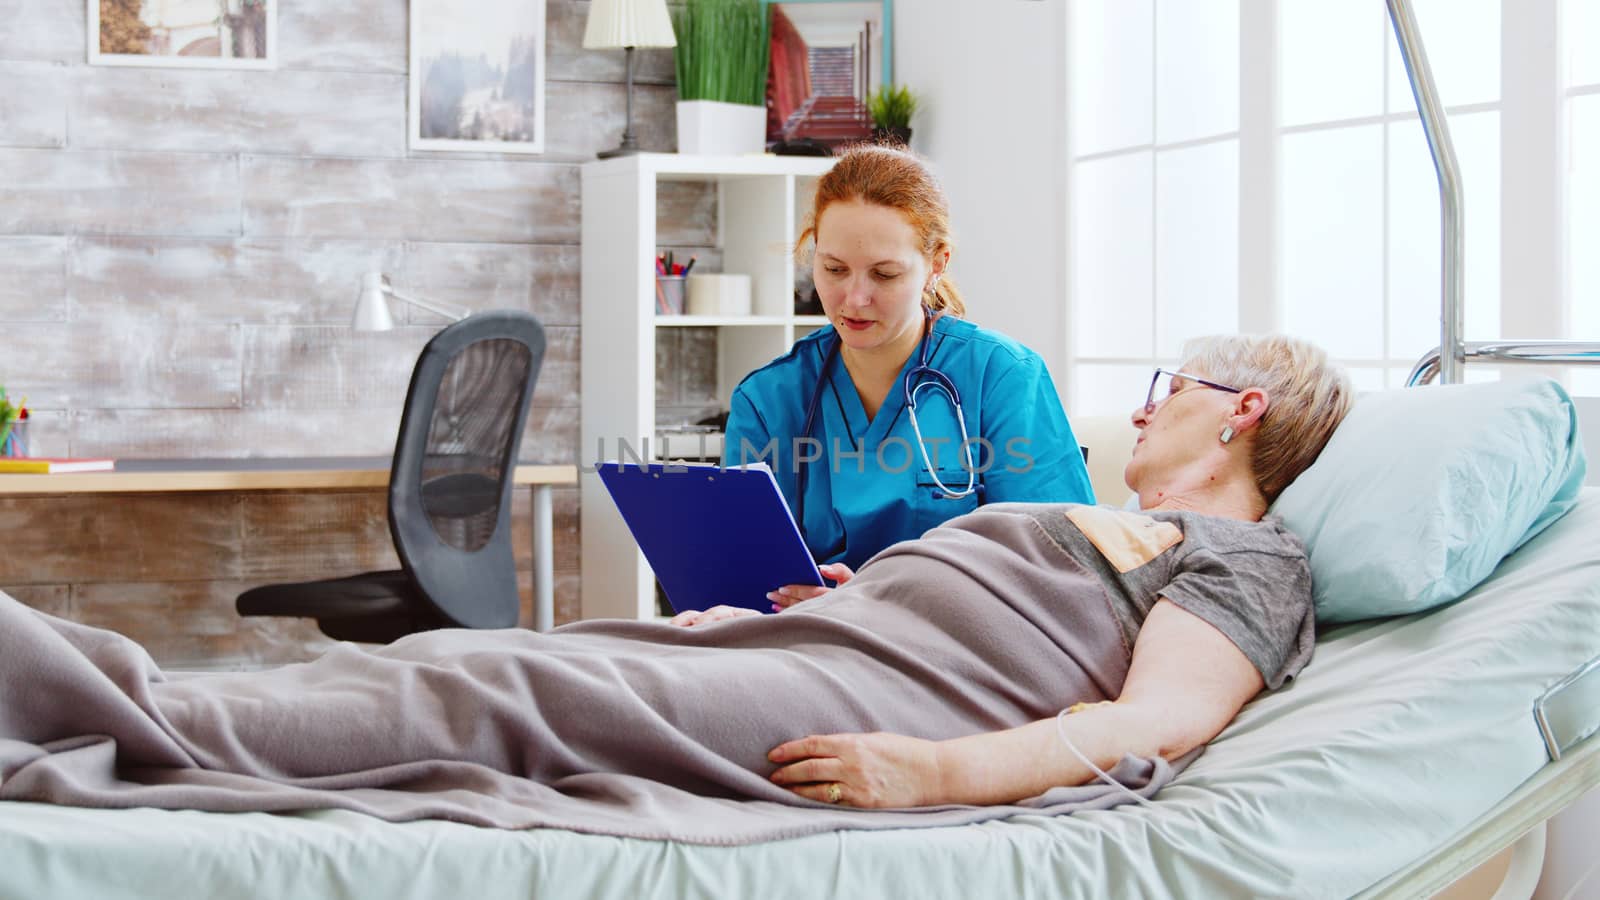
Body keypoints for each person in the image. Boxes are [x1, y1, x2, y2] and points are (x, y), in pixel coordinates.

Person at [0, 334, 1350, 818]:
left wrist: (925, 772)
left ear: (1239, 414)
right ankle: (81, 701)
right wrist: (859, 597)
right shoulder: (1106, 521)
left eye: (1174, 385)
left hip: (876, 711)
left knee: (490, 702)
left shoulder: (1247, 558)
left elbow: (1152, 724)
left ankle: (61, 691)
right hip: (822, 643)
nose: (1149, 402)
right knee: (466, 662)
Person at [721, 145, 1094, 609]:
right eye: (834, 269)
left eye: (884, 274)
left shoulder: (1003, 379)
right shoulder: (769, 399)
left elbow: (1064, 576)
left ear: (936, 263)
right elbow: (740, 581)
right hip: (803, 654)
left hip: (958, 656)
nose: (853, 299)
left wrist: (869, 604)